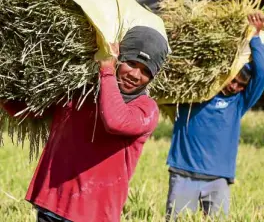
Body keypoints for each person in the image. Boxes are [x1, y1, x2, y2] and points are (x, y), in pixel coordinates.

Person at [2, 26, 169, 222]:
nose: (135, 74)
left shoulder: (145, 109)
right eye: (131, 63)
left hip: (93, 213)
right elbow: (31, 111)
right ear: (120, 58)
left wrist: (106, 69)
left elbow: (115, 121)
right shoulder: (82, 90)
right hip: (53, 202)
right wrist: (6, 88)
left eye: (146, 71)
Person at [166, 12, 264, 220]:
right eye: (232, 80)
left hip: (218, 178)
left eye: (240, 85)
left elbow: (262, 73)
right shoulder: (194, 94)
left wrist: (255, 36)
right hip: (183, 174)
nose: (234, 87)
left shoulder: (238, 103)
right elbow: (176, 72)